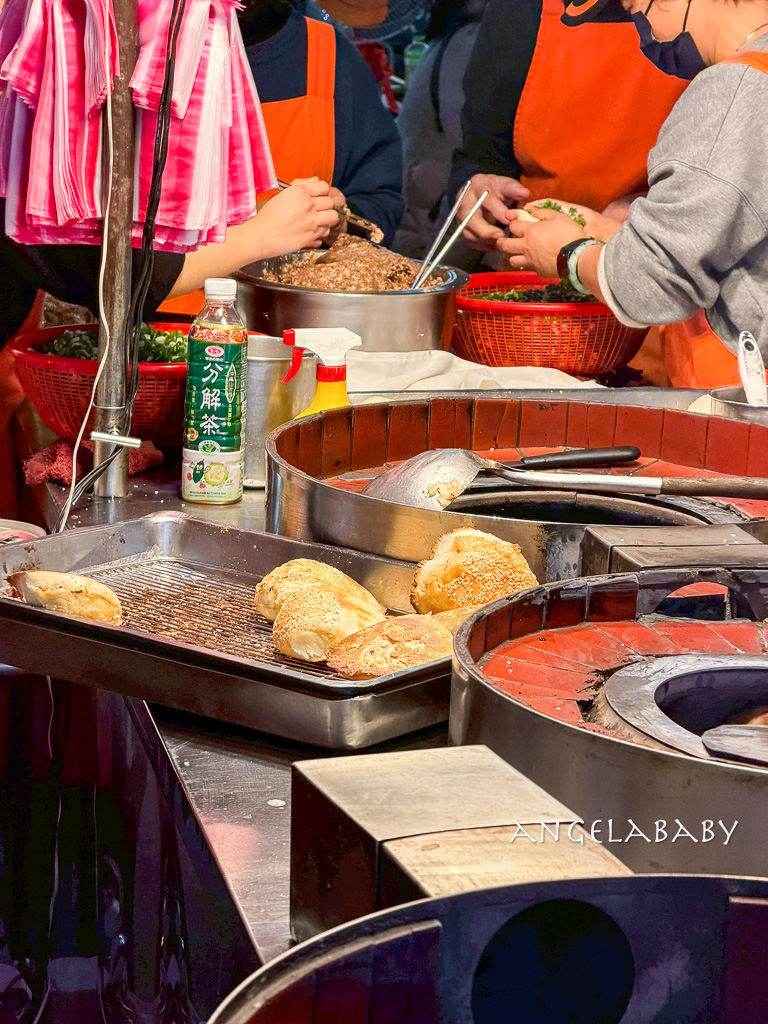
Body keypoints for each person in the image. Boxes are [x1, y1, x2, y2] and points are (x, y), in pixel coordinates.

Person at [503, 0, 768, 388]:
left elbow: (652, 286)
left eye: (634, 9)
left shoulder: (735, 89)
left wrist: (568, 254)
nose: (645, 34)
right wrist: (614, 235)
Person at [159, 0, 402, 315]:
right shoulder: (139, 53)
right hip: (154, 327)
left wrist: (338, 220)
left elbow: (380, 204)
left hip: (291, 327)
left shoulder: (327, 55)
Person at [448, 0, 688, 263]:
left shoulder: (704, 16)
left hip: (655, 261)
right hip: (532, 269)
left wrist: (653, 208)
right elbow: (481, 155)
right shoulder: (518, 9)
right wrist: (475, 188)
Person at [393, 0, 489, 258]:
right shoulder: (468, 36)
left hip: (428, 204)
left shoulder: (463, 36)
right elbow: (468, 150)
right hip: (430, 206)